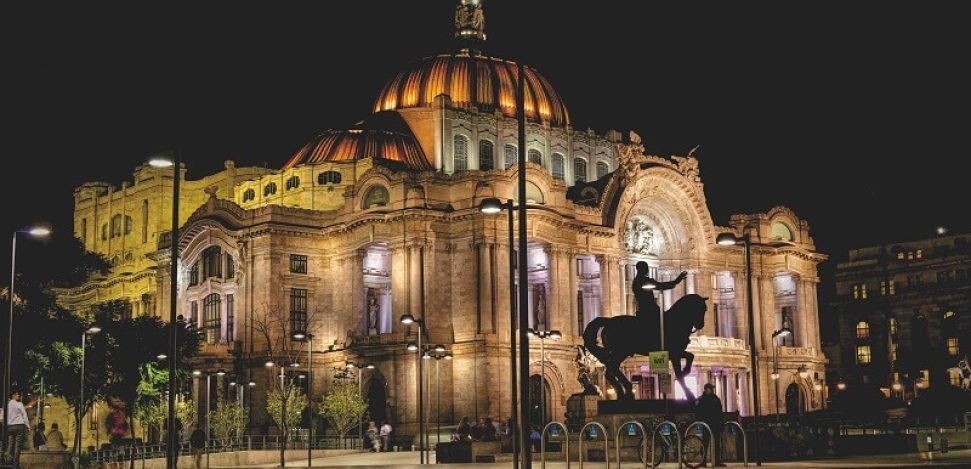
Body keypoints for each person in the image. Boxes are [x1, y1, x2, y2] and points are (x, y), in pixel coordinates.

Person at [632, 262, 687, 341]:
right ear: (643, 269)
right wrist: (677, 280)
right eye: (646, 267)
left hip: (644, 307)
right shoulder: (643, 280)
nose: (647, 269)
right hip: (649, 308)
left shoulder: (637, 280)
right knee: (667, 321)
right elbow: (661, 286)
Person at [5, 390, 37, 469]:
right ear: (13, 395)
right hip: (19, 426)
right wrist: (28, 425)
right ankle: (16, 464)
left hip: (10, 427)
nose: (18, 395)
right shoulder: (19, 404)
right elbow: (24, 414)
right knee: (17, 445)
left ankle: (8, 461)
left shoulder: (7, 404)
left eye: (18, 394)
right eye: (17, 394)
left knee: (10, 443)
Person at [695, 383, 725, 466]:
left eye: (712, 388)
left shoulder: (715, 398)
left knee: (716, 443)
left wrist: (721, 422)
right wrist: (701, 421)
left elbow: (720, 411)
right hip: (706, 424)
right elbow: (697, 412)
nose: (712, 390)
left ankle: (716, 461)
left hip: (715, 423)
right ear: (706, 389)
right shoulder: (701, 399)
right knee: (705, 443)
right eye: (710, 388)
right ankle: (703, 461)